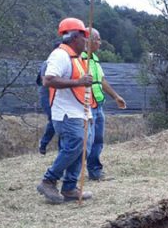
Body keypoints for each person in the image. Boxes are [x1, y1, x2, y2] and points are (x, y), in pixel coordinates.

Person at [36, 18, 96, 204]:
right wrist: (78, 82)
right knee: (75, 144)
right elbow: (48, 80)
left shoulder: (77, 58)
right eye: (83, 37)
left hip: (82, 111)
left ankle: (69, 187)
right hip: (67, 114)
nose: (86, 41)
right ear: (73, 37)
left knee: (84, 147)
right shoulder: (60, 55)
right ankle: (49, 180)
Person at [83, 28, 126, 181]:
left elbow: (101, 80)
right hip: (86, 107)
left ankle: (95, 172)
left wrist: (116, 97)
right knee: (85, 142)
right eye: (98, 39)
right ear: (88, 41)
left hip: (98, 105)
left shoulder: (94, 59)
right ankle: (71, 175)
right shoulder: (79, 59)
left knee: (98, 140)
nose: (100, 43)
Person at [36, 59, 55, 154]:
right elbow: (44, 80)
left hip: (57, 96)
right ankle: (43, 143)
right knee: (54, 119)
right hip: (47, 95)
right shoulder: (48, 63)